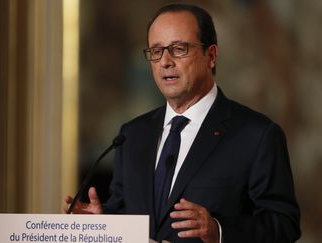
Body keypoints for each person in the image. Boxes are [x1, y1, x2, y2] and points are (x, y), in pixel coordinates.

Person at [65, 3, 300, 243]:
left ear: (211, 56)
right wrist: (104, 221)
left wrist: (218, 230)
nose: (165, 61)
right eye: (156, 51)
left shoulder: (256, 135)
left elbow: (284, 224)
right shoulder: (132, 135)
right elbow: (127, 212)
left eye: (178, 49)